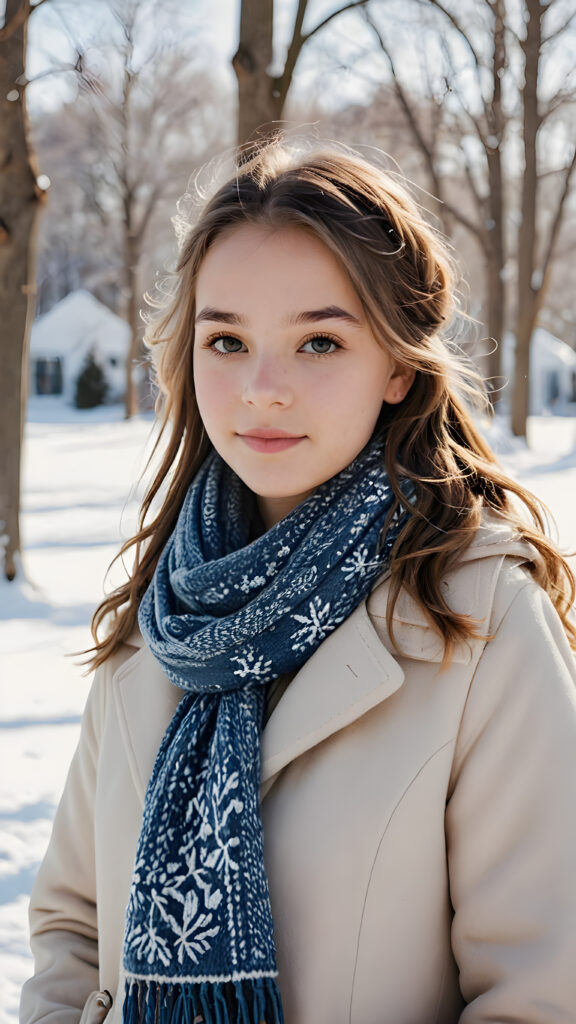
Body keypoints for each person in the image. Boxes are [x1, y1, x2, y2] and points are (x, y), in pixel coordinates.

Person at [20, 143, 576, 1024]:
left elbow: (542, 994)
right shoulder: (165, 608)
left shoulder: (483, 617)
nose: (262, 390)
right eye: (227, 340)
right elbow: (72, 930)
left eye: (320, 341)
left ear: (398, 365)